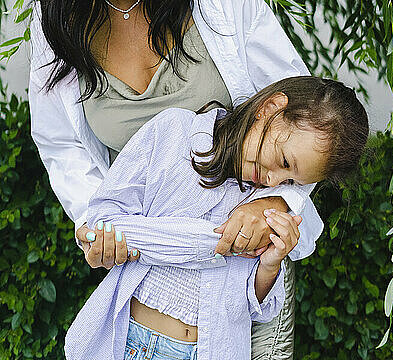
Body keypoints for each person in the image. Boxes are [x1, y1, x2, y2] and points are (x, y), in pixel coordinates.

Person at [29, 0, 323, 358]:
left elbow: (303, 116)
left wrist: (279, 202)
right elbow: (62, 147)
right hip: (148, 287)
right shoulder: (59, 24)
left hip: (244, 273)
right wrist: (99, 223)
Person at [64, 76, 369, 360]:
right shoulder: (173, 133)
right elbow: (105, 221)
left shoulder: (266, 208)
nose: (275, 180)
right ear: (270, 108)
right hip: (130, 342)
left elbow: (256, 307)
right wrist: (209, 242)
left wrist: (271, 263)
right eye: (284, 161)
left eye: (292, 182)